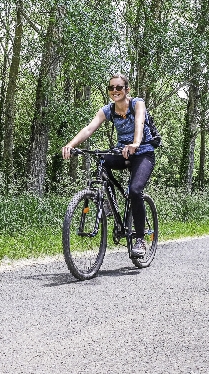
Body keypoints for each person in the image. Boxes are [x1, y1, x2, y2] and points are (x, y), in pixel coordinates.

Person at [61, 73, 156, 257]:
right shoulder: (108, 110)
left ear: (127, 90)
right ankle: (107, 204)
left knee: (135, 191)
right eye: (111, 88)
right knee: (102, 160)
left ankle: (140, 239)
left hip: (143, 152)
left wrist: (135, 143)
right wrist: (71, 145)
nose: (115, 91)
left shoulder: (137, 103)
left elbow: (139, 122)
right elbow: (89, 128)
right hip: (122, 152)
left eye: (119, 87)